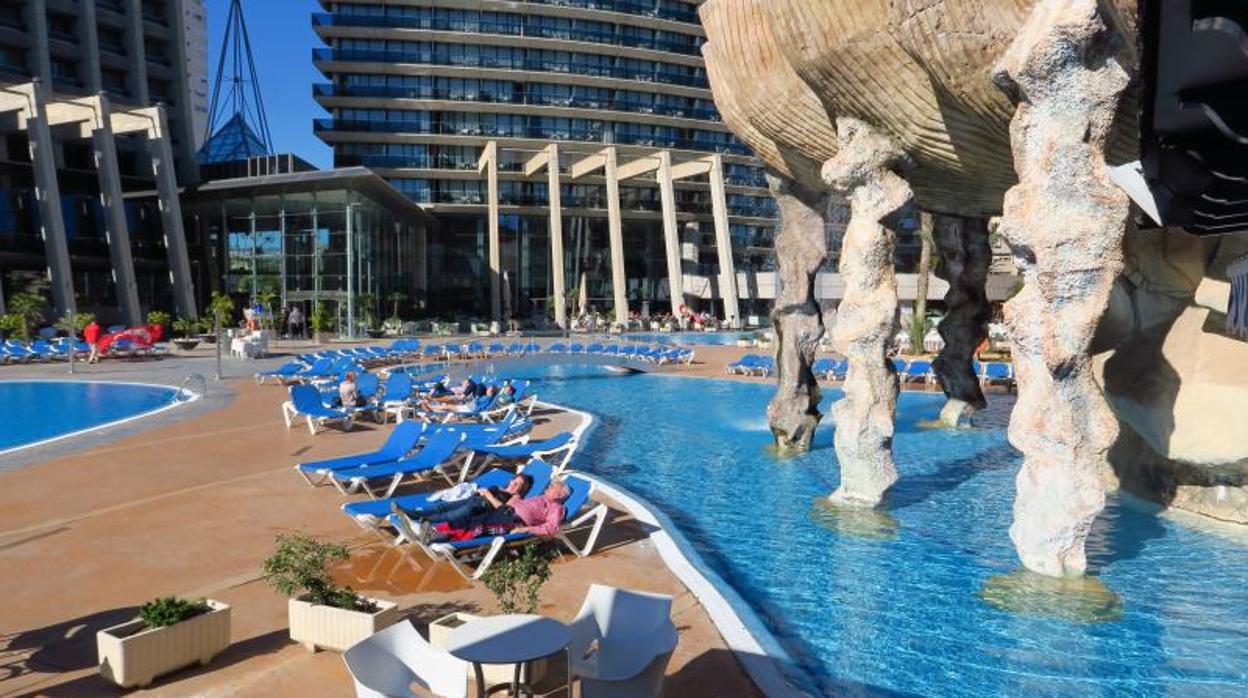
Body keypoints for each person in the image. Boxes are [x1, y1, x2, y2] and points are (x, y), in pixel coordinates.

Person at [417, 478, 571, 544]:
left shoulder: (556, 507)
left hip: (513, 522)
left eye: (552, 487)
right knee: (473, 519)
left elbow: (551, 528)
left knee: (479, 529)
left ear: (560, 495)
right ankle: (434, 529)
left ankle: (437, 537)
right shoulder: (541, 498)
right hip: (505, 512)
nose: (548, 487)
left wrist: (525, 529)